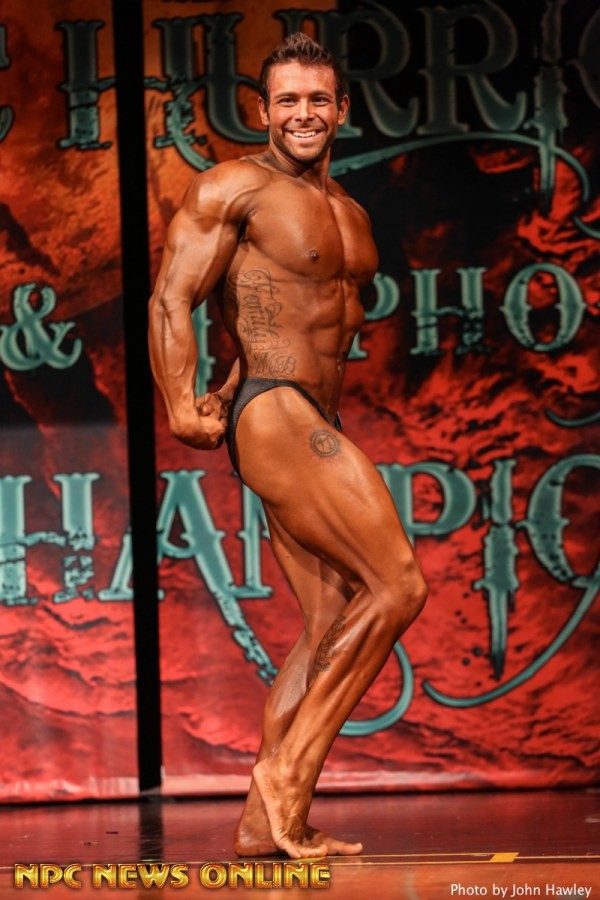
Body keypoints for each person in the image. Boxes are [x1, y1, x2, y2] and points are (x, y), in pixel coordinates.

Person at [148, 32, 428, 860]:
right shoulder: (233, 186)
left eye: (316, 100)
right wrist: (180, 401)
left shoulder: (353, 214)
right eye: (287, 101)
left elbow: (304, 313)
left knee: (332, 621)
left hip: (310, 413)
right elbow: (173, 298)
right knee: (398, 585)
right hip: (275, 409)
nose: (302, 114)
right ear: (263, 111)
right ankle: (289, 771)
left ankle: (262, 824)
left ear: (341, 109)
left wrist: (239, 373)